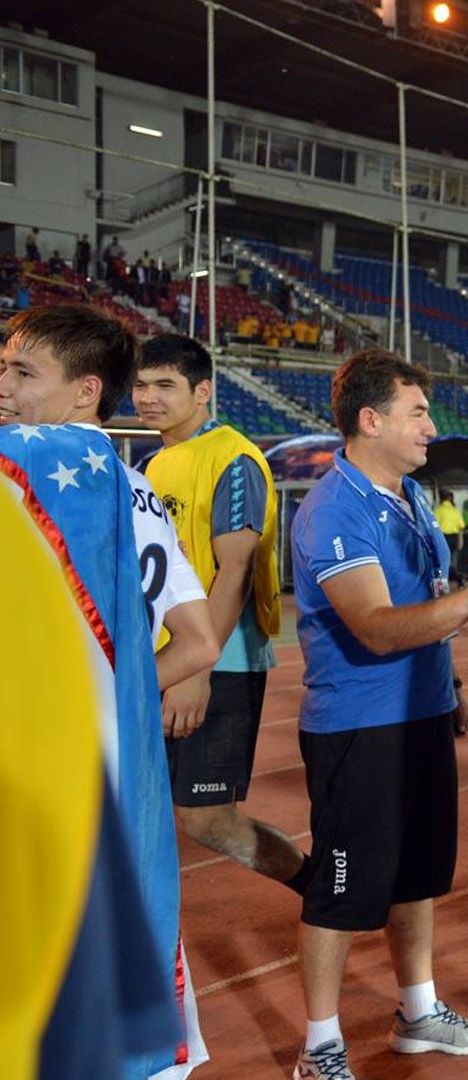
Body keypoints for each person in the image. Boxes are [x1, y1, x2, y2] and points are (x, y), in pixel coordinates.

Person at [287, 349, 468, 1079]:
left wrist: (451, 684)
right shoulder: (335, 509)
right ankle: (320, 1047)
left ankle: (418, 1012)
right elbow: (373, 624)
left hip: (420, 714)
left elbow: (423, 600)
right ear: (372, 420)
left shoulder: (409, 498)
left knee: (417, 875)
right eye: (418, 411)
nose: (431, 426)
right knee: (341, 891)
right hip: (359, 726)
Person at [0, 304, 223, 1078]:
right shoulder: (138, 491)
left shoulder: (37, 471)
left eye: (24, 373)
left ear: (85, 391)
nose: (4, 387)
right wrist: (118, 697)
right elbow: (199, 641)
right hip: (120, 768)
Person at [132, 333, 313, 894]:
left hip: (218, 662)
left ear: (203, 390)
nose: (148, 398)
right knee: (149, 808)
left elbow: (232, 570)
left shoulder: (233, 459)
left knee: (208, 819)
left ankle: (322, 892)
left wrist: (197, 673)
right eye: (140, 385)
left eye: (165, 385)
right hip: (165, 656)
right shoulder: (152, 463)